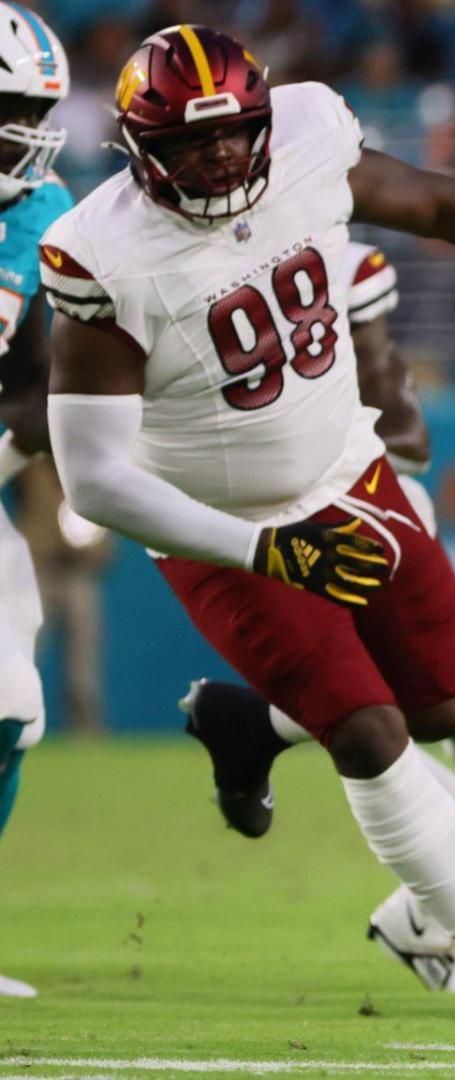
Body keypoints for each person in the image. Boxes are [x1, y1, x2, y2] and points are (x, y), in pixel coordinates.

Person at [38, 24, 455, 1021]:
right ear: (135, 148)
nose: (216, 158)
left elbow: (429, 200)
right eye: (185, 145)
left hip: (349, 472)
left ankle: (250, 724)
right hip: (224, 523)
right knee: (372, 732)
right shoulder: (100, 252)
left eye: (232, 134)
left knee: (450, 702)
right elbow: (92, 479)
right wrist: (265, 547)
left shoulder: (306, 132)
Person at [177, 241, 455, 995]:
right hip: (247, 511)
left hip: (361, 491)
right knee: (374, 723)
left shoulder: (326, 253)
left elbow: (404, 426)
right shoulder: (144, 263)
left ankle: (259, 727)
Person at [0, 0, 71, 1002]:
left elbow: (39, 379)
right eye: (10, 112)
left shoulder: (37, 214)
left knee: (13, 707)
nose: (27, 137)